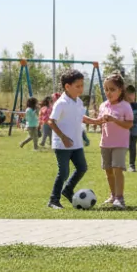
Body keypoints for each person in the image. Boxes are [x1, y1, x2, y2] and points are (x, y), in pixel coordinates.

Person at [46, 68, 97, 209]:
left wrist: (96, 121)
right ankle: (53, 200)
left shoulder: (78, 102)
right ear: (67, 87)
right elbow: (51, 121)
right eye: (78, 86)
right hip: (62, 144)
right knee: (64, 172)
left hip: (76, 143)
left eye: (82, 85)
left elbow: (81, 117)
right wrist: (63, 137)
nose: (81, 89)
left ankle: (68, 189)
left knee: (82, 168)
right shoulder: (61, 103)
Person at [96, 72, 135, 209]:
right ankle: (113, 196)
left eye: (112, 89)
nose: (108, 92)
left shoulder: (125, 106)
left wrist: (114, 120)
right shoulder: (103, 106)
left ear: (120, 90)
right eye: (106, 89)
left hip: (120, 144)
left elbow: (129, 124)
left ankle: (120, 198)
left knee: (117, 169)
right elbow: (100, 122)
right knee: (108, 170)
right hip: (105, 143)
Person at [125, 85, 137, 172]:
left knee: (132, 146)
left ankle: (132, 165)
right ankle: (121, 164)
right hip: (124, 129)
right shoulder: (122, 105)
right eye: (130, 94)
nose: (131, 96)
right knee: (123, 146)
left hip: (134, 129)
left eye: (132, 94)